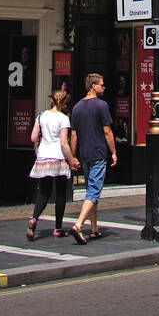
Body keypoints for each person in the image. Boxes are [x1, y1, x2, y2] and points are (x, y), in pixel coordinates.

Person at [70, 73, 117, 245]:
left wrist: (73, 156)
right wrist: (113, 152)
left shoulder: (76, 108)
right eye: (101, 85)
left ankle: (94, 229)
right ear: (93, 86)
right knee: (94, 190)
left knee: (92, 191)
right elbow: (107, 131)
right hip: (98, 153)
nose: (104, 88)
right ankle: (78, 225)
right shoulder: (101, 105)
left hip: (84, 154)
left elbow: (73, 135)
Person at [27, 90, 80, 240]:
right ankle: (58, 229)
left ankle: (34, 218)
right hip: (58, 158)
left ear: (51, 101)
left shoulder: (41, 116)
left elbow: (33, 137)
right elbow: (64, 143)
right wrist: (71, 160)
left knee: (43, 192)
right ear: (64, 103)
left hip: (43, 157)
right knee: (61, 193)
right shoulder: (63, 119)